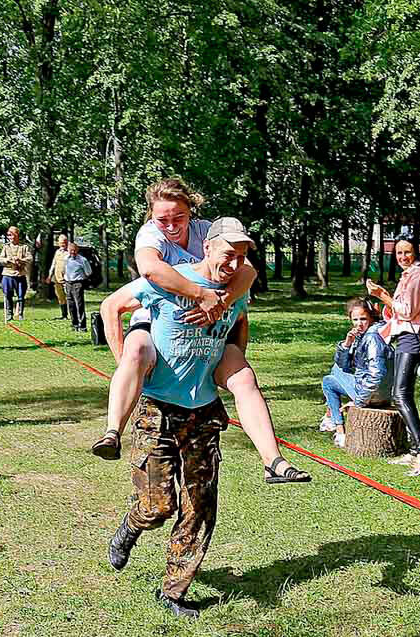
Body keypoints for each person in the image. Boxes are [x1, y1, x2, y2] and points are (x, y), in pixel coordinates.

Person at [92, 178, 309, 484]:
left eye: (178, 218)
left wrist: (222, 303)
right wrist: (201, 295)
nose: (170, 226)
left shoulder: (209, 232)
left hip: (207, 328)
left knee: (244, 377)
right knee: (137, 351)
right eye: (162, 219)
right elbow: (149, 270)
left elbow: (247, 271)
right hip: (154, 316)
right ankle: (113, 430)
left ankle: (273, 461)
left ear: (191, 213)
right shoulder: (150, 234)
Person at [103, 218, 253, 619]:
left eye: (241, 256)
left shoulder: (237, 283)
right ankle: (131, 525)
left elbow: (239, 319)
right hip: (157, 409)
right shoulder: (167, 278)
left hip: (203, 413)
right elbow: (113, 304)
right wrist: (125, 364)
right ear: (207, 247)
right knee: (157, 506)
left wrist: (231, 361)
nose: (236, 263)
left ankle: (174, 590)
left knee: (200, 505)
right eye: (229, 253)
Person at [366, 237, 420, 476]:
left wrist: (382, 295)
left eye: (407, 252)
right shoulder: (408, 275)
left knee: (400, 395)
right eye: (398, 252)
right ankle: (415, 449)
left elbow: (407, 311)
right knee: (403, 394)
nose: (402, 257)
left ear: (415, 253)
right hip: (405, 337)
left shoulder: (418, 276)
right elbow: (399, 311)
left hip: (414, 338)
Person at [319, 298, 394, 448]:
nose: (359, 323)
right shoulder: (364, 335)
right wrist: (347, 344)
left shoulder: (372, 337)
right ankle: (332, 420)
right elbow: (344, 365)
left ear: (371, 317)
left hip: (373, 395)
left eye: (363, 319)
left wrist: (359, 401)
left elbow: (376, 375)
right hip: (379, 392)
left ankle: (338, 429)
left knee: (329, 380)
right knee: (332, 375)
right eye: (355, 319)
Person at [0, 226, 31, 322]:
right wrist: (7, 260)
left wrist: (21, 260)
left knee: (21, 296)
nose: (10, 237)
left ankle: (20, 314)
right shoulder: (6, 247)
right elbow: (0, 259)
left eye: (12, 235)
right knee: (8, 295)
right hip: (8, 274)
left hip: (20, 274)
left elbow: (29, 258)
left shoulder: (24, 247)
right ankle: (9, 315)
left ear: (17, 235)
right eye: (9, 235)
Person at [64, 242, 92, 331]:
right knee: (70, 304)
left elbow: (88, 272)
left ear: (77, 250)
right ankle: (74, 324)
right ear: (68, 250)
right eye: (71, 250)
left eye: (74, 250)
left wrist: (82, 278)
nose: (72, 252)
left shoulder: (82, 260)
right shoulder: (66, 258)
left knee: (79, 304)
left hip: (78, 283)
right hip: (68, 283)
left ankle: (82, 326)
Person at [45, 234, 70, 320]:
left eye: (64, 242)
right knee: (60, 297)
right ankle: (64, 315)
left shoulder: (70, 252)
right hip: (57, 278)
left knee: (69, 297)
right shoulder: (57, 252)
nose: (63, 244)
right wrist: (49, 276)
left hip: (67, 279)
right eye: (61, 243)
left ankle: (73, 314)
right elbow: (53, 264)